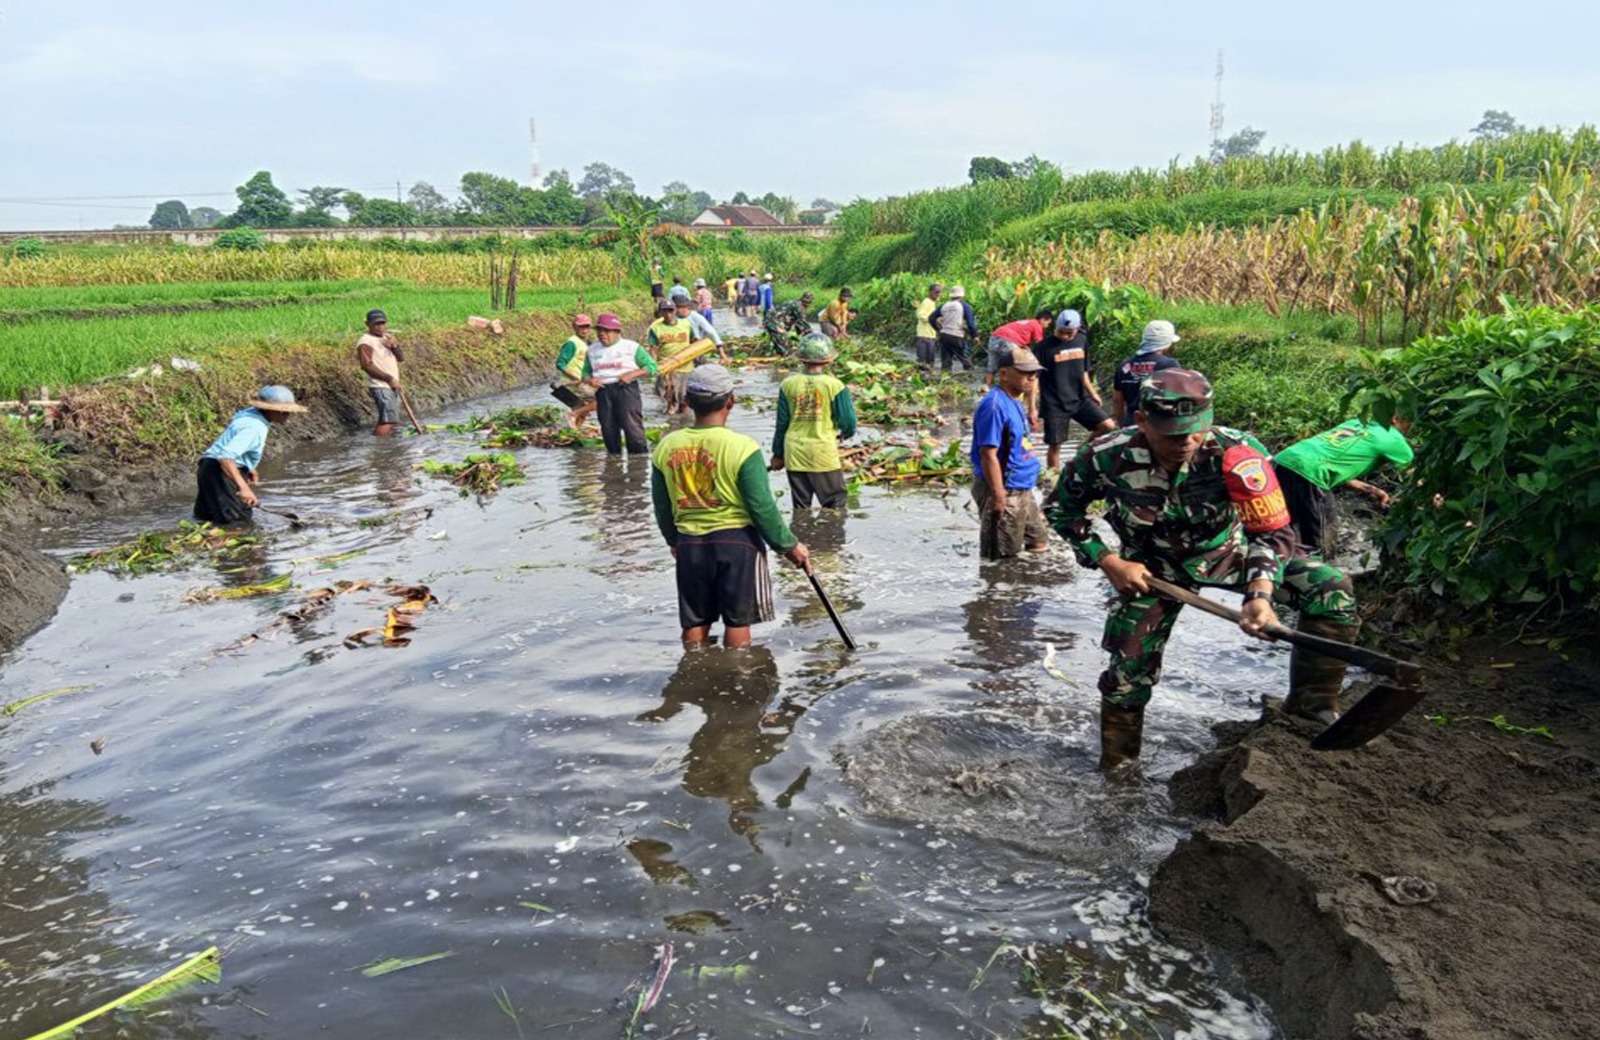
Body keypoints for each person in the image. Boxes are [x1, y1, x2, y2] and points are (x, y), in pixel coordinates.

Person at [1047, 369, 1361, 769]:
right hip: (1150, 571)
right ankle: (1118, 768)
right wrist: (1110, 562)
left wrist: (1260, 594)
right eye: (1173, 435)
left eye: (1195, 431)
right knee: (1126, 675)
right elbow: (1061, 510)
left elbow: (1272, 532)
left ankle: (1311, 704)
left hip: (1226, 554)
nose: (1187, 443)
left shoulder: (1239, 453)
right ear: (1141, 421)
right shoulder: (1106, 455)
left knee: (1329, 586)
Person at [650, 364, 810, 649]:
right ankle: (736, 679)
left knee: (695, 621)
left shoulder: (666, 446)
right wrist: (788, 545)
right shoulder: (742, 447)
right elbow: (761, 507)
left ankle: (694, 673)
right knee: (738, 621)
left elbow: (661, 505)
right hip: (736, 544)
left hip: (690, 543)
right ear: (730, 402)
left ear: (688, 402)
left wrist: (673, 541)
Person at [1273, 418, 1415, 558]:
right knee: (1322, 540)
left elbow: (1333, 459)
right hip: (1311, 472)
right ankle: (1322, 573)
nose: (1411, 428)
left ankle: (1280, 564)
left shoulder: (1358, 423)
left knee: (1287, 526)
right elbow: (1418, 478)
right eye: (1410, 422)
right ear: (1395, 419)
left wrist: (1370, 489)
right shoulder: (1394, 438)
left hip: (1284, 461)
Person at [970, 348, 1048, 560]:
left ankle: (1027, 588)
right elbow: (988, 454)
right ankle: (996, 591)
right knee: (1002, 556)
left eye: (1035, 373)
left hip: (1021, 486)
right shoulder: (994, 406)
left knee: (1039, 542)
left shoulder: (1014, 400)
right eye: (1024, 372)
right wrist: (998, 495)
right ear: (1004, 374)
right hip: (1004, 487)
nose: (1031, 378)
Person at [194, 385, 307, 524]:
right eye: (283, 411)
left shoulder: (249, 415)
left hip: (207, 467)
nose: (287, 415)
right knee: (237, 523)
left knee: (207, 518)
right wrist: (244, 488)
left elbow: (231, 444)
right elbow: (225, 457)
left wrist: (249, 466)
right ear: (269, 410)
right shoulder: (255, 427)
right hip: (219, 471)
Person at [771, 332, 858, 510]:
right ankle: (830, 537)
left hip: (794, 452)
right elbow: (848, 422)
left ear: (802, 359)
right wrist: (843, 436)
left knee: (801, 507)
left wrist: (778, 454)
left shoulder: (788, 384)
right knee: (835, 504)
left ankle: (802, 535)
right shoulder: (835, 386)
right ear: (828, 360)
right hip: (822, 452)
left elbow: (782, 424)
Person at [1037, 309, 1115, 470]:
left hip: (1079, 398)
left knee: (1107, 426)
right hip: (1054, 403)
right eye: (1062, 332)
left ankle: (1082, 452)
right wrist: (1031, 408)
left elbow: (1083, 371)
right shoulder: (1042, 348)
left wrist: (1093, 393)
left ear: (1077, 329)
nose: (1066, 336)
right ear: (1055, 328)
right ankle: (1054, 478)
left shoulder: (1081, 340)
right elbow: (1033, 380)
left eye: (1070, 333)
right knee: (1055, 445)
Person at [582, 313, 658, 455]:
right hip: (603, 391)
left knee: (632, 428)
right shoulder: (592, 350)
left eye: (606, 331)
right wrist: (590, 380)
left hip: (626, 390)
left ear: (617, 332)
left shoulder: (631, 347)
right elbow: (585, 373)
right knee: (608, 429)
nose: (602, 334)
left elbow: (652, 367)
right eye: (599, 330)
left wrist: (632, 374)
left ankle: (638, 462)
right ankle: (614, 463)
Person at [1111, 320, 1182, 426]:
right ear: (1166, 343)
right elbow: (1179, 397)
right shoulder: (1170, 365)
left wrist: (1121, 426)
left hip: (1131, 423)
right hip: (1159, 426)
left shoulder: (1125, 365)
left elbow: (1117, 400)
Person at [355, 308, 404, 436]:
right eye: (376, 324)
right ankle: (379, 448)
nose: (380, 327)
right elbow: (367, 366)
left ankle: (387, 446)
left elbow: (401, 358)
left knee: (391, 420)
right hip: (381, 386)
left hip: (391, 385)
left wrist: (395, 346)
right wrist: (389, 379)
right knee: (387, 421)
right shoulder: (366, 342)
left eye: (382, 323)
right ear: (367, 324)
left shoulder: (387, 338)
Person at [550, 313, 599, 428]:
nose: (584, 330)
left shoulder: (584, 343)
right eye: (581, 327)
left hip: (581, 382)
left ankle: (575, 431)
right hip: (573, 383)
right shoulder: (572, 343)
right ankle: (571, 416)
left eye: (587, 327)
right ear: (574, 327)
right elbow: (560, 364)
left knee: (583, 409)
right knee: (601, 400)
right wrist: (576, 378)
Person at [648, 299, 696, 414]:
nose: (668, 314)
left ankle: (683, 423)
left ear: (675, 311)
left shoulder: (686, 324)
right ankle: (671, 425)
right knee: (670, 401)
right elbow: (653, 349)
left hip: (686, 367)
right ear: (660, 312)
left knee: (685, 401)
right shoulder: (656, 328)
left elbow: (693, 342)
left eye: (671, 311)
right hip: (668, 369)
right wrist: (655, 367)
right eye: (665, 311)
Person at [932, 285, 977, 372]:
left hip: (944, 335)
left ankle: (945, 379)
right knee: (963, 357)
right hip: (956, 336)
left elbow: (931, 318)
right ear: (962, 295)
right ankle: (970, 375)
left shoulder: (944, 305)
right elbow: (970, 324)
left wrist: (938, 330)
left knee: (946, 360)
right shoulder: (965, 306)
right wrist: (975, 336)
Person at [672, 296, 725, 362]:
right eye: (675, 308)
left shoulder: (696, 317)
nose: (677, 310)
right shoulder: (673, 318)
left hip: (695, 347)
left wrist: (722, 354)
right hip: (678, 348)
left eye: (679, 307)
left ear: (687, 307)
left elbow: (711, 332)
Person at [914, 283, 943, 371]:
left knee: (929, 360)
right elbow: (920, 315)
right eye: (936, 292)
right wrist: (933, 319)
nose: (938, 294)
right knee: (923, 362)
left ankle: (927, 377)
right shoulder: (926, 302)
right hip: (924, 335)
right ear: (930, 292)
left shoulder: (932, 303)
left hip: (930, 334)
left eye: (940, 292)